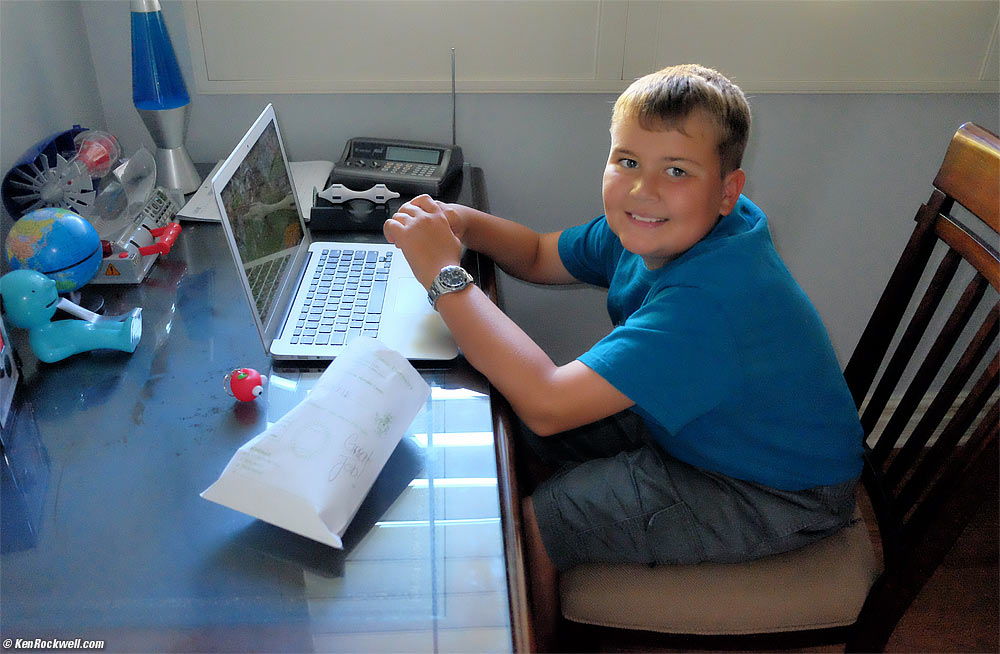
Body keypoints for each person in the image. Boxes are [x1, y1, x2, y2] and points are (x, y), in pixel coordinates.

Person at [383, 64, 864, 648]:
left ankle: (538, 630)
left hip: (773, 491)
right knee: (515, 437)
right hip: (704, 427)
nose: (644, 188)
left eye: (677, 170)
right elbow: (537, 254)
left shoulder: (709, 299)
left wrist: (443, 273)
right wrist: (460, 223)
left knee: (541, 519)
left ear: (726, 191)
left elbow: (546, 402)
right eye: (627, 161)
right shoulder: (657, 225)